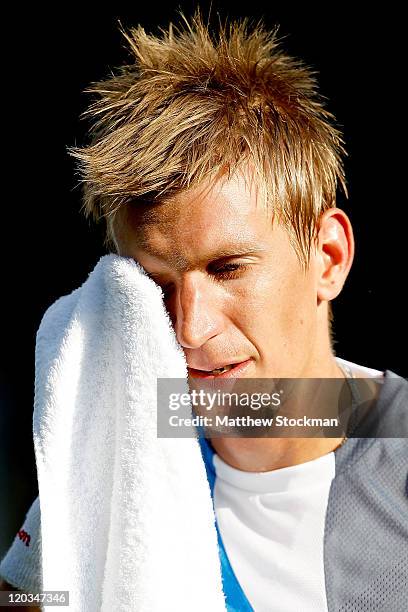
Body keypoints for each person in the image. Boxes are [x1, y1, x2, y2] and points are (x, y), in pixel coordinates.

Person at [1, 12, 407, 611]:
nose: (190, 327)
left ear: (328, 258)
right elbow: (30, 597)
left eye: (228, 269)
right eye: (153, 284)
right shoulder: (124, 439)